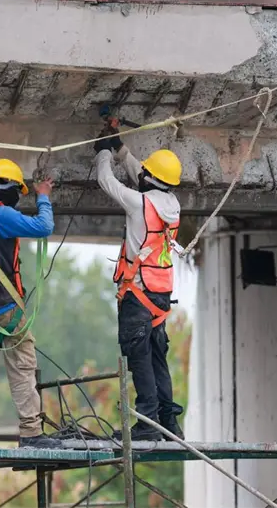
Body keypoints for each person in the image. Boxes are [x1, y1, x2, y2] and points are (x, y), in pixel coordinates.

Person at [0, 158, 62, 449]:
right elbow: (44, 226)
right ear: (12, 189)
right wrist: (43, 196)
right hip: (4, 309)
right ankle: (31, 434)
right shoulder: (0, 215)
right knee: (23, 366)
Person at [94, 127, 185, 442]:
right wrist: (121, 149)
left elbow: (107, 182)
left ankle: (147, 424)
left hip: (137, 294)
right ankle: (168, 423)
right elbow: (143, 177)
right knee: (157, 355)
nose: (140, 174)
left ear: (151, 179)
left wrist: (103, 152)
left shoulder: (139, 204)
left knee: (140, 357)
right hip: (160, 294)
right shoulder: (171, 205)